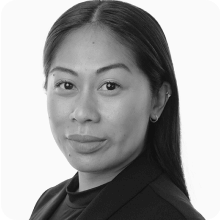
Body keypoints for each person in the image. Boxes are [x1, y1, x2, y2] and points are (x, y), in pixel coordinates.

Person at [29, 0, 205, 219]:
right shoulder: (48, 202)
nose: (83, 113)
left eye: (110, 86)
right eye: (67, 85)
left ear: (158, 99)